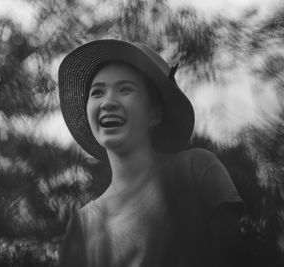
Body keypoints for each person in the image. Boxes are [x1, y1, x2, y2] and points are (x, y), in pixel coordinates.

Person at [57, 39, 244, 267]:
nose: (108, 102)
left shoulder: (195, 169)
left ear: (155, 113)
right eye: (97, 92)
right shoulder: (83, 225)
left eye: (125, 89)